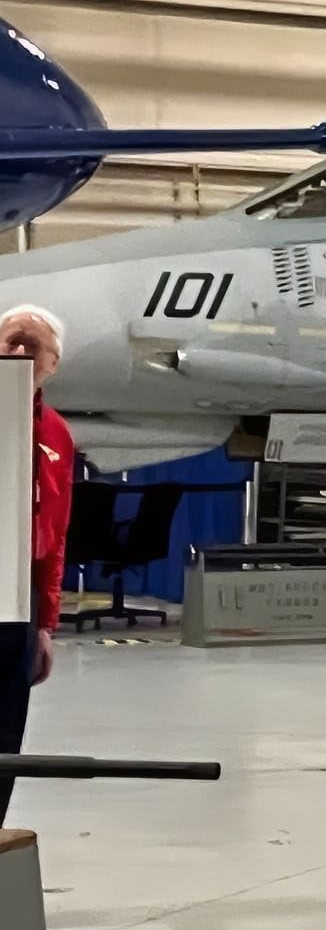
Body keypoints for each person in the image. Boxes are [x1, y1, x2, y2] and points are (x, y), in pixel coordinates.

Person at [0, 304, 71, 824]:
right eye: (11, 344)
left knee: (5, 738)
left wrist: (45, 625)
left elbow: (56, 533)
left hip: (17, 603)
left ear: (52, 364)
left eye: (32, 347)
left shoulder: (57, 434)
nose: (20, 354)